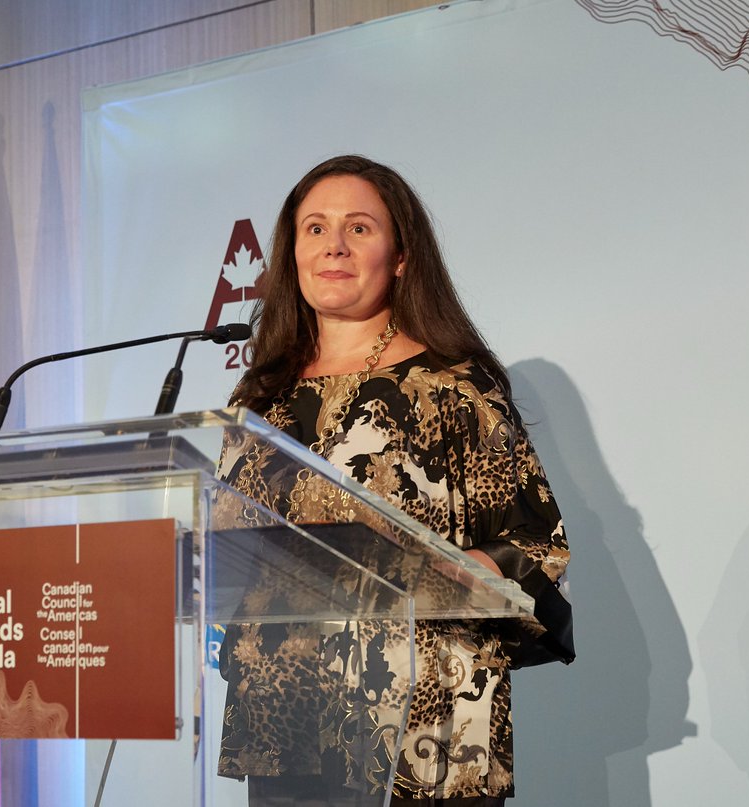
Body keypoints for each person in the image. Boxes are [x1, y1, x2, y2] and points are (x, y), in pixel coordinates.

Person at [216, 155, 574, 806]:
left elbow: (537, 549)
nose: (334, 246)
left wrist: (458, 567)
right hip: (284, 718)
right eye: (315, 229)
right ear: (292, 251)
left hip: (426, 721)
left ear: (402, 255)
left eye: (359, 227)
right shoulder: (260, 396)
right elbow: (225, 546)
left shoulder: (457, 386)